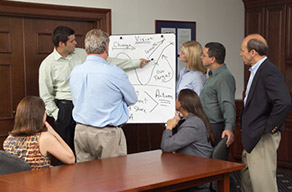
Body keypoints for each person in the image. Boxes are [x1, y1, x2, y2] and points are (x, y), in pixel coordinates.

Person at [38, 26, 148, 162]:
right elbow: (45, 95)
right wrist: (57, 114)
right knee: (66, 157)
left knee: (85, 167)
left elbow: (109, 61)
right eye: (72, 41)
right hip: (67, 110)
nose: (75, 43)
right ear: (62, 44)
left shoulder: (79, 59)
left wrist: (135, 63)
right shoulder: (47, 64)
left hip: (83, 116)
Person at [69, 29, 137, 163]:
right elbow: (132, 99)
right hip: (107, 134)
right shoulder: (114, 73)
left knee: (86, 178)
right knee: (113, 179)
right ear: (106, 48)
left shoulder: (75, 71)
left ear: (87, 48)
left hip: (81, 132)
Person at [239, 34, 291, 192]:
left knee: (263, 186)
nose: (241, 54)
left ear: (253, 52)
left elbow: (284, 101)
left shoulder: (268, 71)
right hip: (252, 137)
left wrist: (269, 127)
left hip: (262, 137)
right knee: (248, 181)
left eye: (243, 51)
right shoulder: (257, 70)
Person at [161, 89, 215, 191]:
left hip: (196, 178)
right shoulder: (196, 119)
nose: (175, 101)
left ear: (180, 103)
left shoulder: (193, 124)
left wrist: (169, 127)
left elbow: (166, 146)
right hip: (194, 170)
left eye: (177, 99)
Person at [3, 96, 75, 170]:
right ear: (40, 116)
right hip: (40, 181)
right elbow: (71, 159)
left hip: (16, 181)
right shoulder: (43, 138)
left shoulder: (9, 139)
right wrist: (54, 133)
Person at [200, 42, 236, 147]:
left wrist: (229, 128)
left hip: (215, 127)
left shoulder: (224, 77)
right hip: (207, 126)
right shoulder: (212, 75)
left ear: (212, 59)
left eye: (204, 55)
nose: (201, 57)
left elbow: (227, 103)